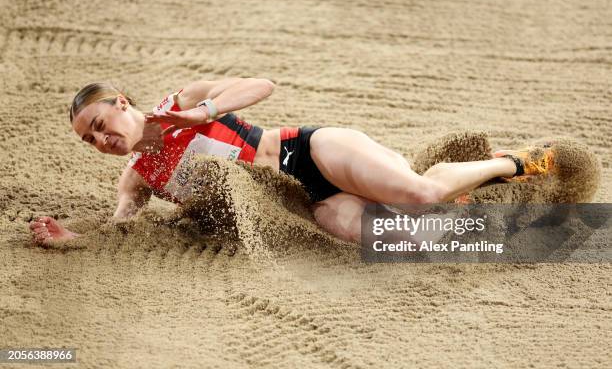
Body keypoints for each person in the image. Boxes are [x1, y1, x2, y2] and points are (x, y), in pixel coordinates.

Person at [28, 78, 555, 245]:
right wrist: (74, 239)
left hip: (311, 150)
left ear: (122, 104)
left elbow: (262, 84)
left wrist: (205, 113)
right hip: (314, 201)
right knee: (407, 237)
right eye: (90, 142)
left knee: (419, 194)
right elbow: (122, 227)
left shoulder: (179, 105)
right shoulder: (139, 177)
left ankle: (510, 163)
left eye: (100, 126)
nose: (102, 141)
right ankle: (464, 193)